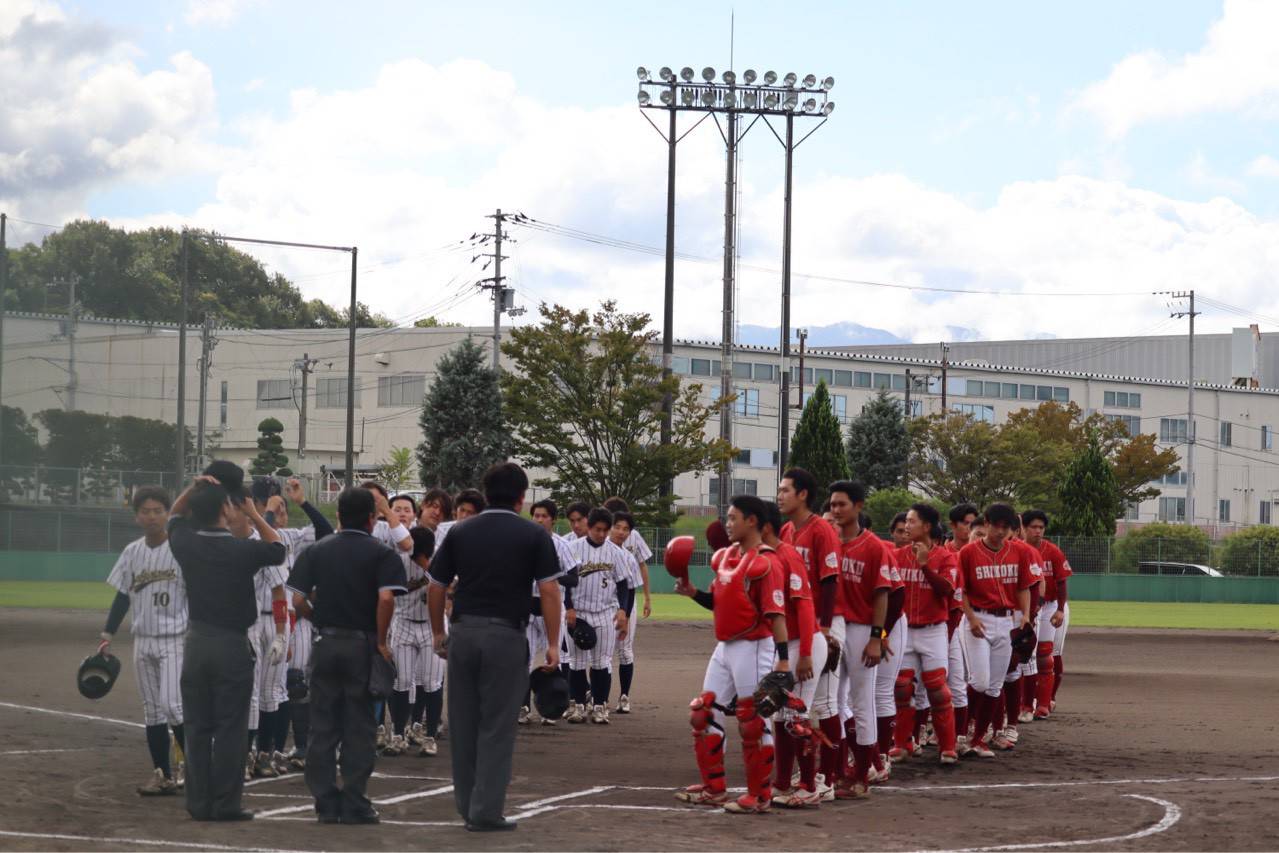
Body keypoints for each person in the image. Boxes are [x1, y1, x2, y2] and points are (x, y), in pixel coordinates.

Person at [427, 462, 563, 833]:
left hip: (464, 633)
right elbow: (549, 590)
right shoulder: (534, 535)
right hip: (506, 635)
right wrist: (553, 643)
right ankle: (486, 811)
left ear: (486, 494)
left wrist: (438, 633)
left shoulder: (460, 530)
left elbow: (436, 585)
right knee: (497, 726)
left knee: (463, 722)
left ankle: (467, 805)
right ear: (522, 498)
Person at [169, 466, 285, 822]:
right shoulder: (240, 551)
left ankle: (198, 803)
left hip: (196, 641)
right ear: (224, 511)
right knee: (232, 728)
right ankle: (226, 803)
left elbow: (174, 515)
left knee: (197, 727)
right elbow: (277, 549)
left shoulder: (185, 542)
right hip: (232, 645)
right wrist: (255, 514)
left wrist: (193, 486)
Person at [286, 486, 408, 824]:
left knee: (322, 725)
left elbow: (297, 601)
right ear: (372, 518)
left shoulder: (317, 550)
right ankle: (355, 800)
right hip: (362, 645)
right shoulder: (382, 553)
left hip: (325, 642)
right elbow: (386, 599)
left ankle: (325, 801)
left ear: (338, 515)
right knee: (359, 726)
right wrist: (381, 642)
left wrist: (318, 620)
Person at [672, 495, 789, 814]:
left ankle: (759, 794)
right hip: (725, 647)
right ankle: (714, 788)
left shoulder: (766, 563)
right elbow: (721, 603)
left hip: (754, 646)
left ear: (752, 521)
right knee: (703, 712)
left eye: (734, 517)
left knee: (752, 721)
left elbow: (776, 614)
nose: (728, 522)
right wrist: (694, 593)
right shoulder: (724, 558)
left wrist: (783, 658)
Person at [98, 485, 187, 796]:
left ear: (167, 514)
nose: (151, 516)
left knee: (173, 706)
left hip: (174, 639)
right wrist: (107, 634)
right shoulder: (132, 552)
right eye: (145, 511)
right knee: (152, 711)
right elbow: (123, 595)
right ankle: (162, 774)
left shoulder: (181, 549)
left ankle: (194, 767)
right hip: (143, 641)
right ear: (137, 516)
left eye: (157, 510)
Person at [826, 481, 894, 800]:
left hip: (861, 628)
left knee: (861, 702)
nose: (836, 510)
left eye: (842, 504)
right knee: (833, 702)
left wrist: (876, 638)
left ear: (858, 506)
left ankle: (863, 774)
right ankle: (838, 770)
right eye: (833, 504)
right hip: (833, 628)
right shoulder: (826, 541)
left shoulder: (874, 546)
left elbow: (882, 595)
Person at [776, 467, 841, 800]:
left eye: (786, 489)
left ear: (802, 494)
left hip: (817, 627)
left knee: (824, 706)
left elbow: (830, 581)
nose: (780, 495)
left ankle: (826, 779)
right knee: (786, 709)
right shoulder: (786, 531)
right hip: (790, 628)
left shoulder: (821, 530)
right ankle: (788, 780)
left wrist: (826, 628)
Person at [956, 503, 1037, 758]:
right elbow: (962, 591)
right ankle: (962, 733)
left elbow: (1023, 587)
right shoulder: (968, 553)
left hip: (1006, 621)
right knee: (979, 682)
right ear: (986, 523)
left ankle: (978, 739)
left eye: (1006, 527)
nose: (1000, 532)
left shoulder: (1019, 552)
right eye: (996, 526)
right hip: (977, 619)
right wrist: (970, 619)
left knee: (994, 685)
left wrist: (1024, 615)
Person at [759, 501, 826, 809]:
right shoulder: (765, 556)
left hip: (805, 644)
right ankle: (783, 782)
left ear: (764, 526)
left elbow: (805, 604)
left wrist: (806, 655)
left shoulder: (787, 555)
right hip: (790, 643)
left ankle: (810, 786)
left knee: (797, 717)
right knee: (780, 715)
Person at [890, 504, 960, 766]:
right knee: (902, 688)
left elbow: (947, 590)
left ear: (927, 526)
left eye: (911, 522)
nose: (906, 526)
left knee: (938, 690)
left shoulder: (945, 557)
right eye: (906, 522)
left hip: (933, 630)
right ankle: (902, 743)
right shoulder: (897, 556)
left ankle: (948, 746)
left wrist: (925, 566)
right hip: (904, 630)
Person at [565, 508, 632, 724]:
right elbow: (564, 581)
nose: (602, 534)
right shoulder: (573, 549)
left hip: (604, 613)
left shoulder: (615, 552)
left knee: (601, 662)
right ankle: (578, 706)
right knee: (576, 662)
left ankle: (600, 706)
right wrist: (568, 607)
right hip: (579, 613)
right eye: (597, 530)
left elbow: (623, 584)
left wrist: (623, 610)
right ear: (589, 527)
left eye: (605, 530)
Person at [523, 499, 580, 726]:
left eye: (544, 516)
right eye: (535, 515)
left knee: (557, 658)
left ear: (553, 520)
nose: (539, 519)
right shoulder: (522, 542)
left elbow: (574, 578)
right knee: (523, 660)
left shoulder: (562, 545)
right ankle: (523, 707)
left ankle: (554, 708)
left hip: (553, 609)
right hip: (527, 607)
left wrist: (549, 576)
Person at [387, 525, 442, 758]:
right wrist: (420, 581)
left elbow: (452, 587)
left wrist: (428, 567)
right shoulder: (398, 560)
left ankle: (429, 737)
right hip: (403, 623)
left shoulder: (438, 558)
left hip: (431, 627)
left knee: (431, 682)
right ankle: (398, 735)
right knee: (402, 681)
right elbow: (392, 591)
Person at [1021, 509, 1072, 720]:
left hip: (1051, 606)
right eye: (1033, 526)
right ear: (1023, 528)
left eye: (1041, 527)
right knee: (1025, 655)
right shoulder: (1017, 550)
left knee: (1047, 654)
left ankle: (1045, 702)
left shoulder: (1052, 551)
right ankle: (1027, 703)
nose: (1038, 531)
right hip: (1028, 606)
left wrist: (1060, 609)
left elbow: (1061, 582)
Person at [605, 510, 646, 714]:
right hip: (604, 607)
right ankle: (598, 697)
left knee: (624, 651)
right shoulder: (599, 551)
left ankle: (624, 696)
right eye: (617, 527)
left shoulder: (629, 558)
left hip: (626, 606)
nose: (621, 532)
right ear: (609, 528)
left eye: (626, 529)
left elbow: (630, 590)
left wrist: (627, 617)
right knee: (603, 654)